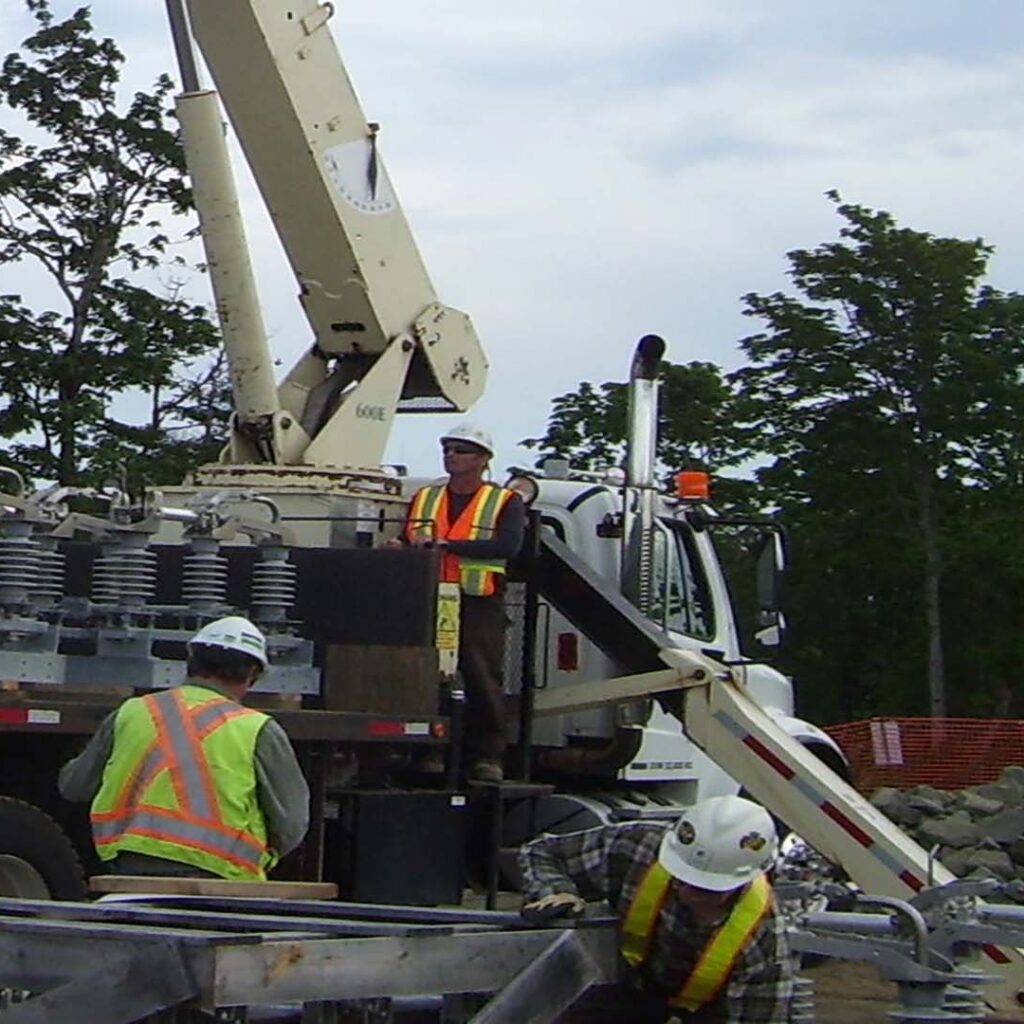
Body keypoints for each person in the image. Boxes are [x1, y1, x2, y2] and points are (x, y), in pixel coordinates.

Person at [58, 616, 309, 881]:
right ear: (253, 674)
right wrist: (260, 857)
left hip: (131, 865)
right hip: (222, 875)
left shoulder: (132, 712)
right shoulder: (258, 729)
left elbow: (74, 787)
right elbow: (291, 823)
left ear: (190, 658)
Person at [518, 794, 794, 1024]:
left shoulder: (763, 939)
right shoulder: (640, 846)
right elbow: (543, 851)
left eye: (706, 888)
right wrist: (556, 891)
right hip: (628, 992)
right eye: (681, 877)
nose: (686, 891)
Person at [400, 424, 525, 783]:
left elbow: (508, 547)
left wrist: (450, 547)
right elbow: (409, 537)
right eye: (448, 449)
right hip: (429, 598)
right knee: (427, 676)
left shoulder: (504, 501)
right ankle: (429, 751)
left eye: (462, 450)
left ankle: (487, 756)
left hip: (478, 600)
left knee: (481, 676)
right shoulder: (426, 497)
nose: (452, 455)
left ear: (483, 460)